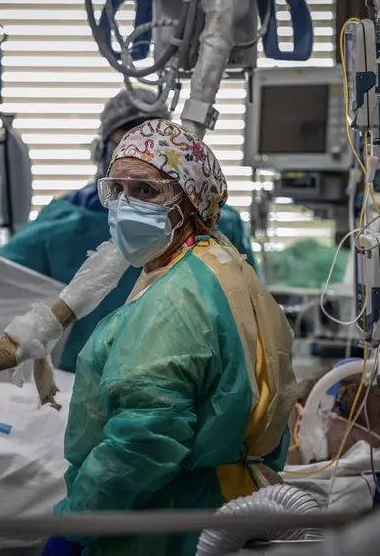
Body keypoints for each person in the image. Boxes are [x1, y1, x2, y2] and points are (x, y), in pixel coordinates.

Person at [51, 119, 298, 556]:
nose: (126, 205)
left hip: (170, 520)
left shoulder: (175, 300)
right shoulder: (221, 267)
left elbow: (144, 439)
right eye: (118, 189)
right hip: (227, 502)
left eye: (145, 191)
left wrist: (78, 522)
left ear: (191, 202)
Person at [0, 89, 257, 373]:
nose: (140, 155)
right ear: (104, 153)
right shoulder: (64, 222)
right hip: (81, 383)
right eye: (126, 143)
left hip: (186, 382)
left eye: (154, 148)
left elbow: (249, 323)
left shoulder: (215, 225)